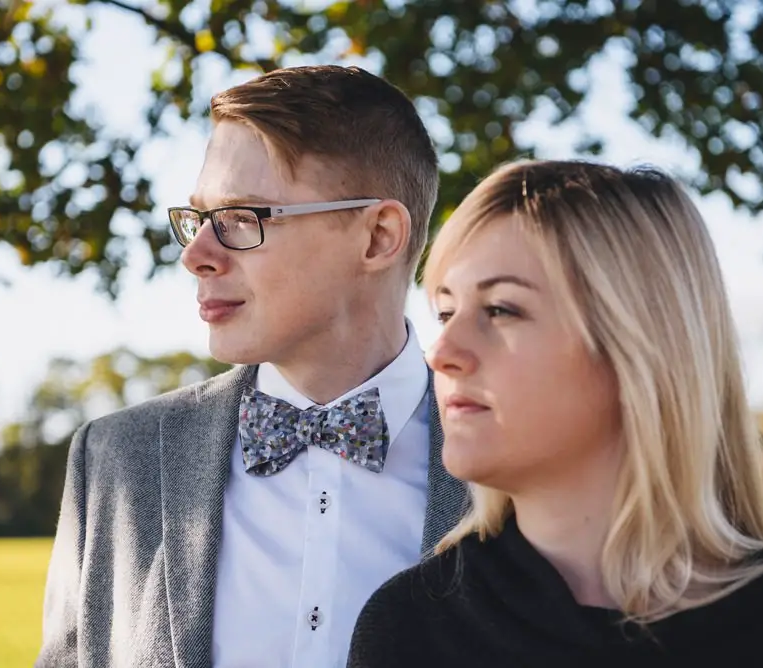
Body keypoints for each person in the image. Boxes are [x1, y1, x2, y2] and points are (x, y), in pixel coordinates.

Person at [34, 65, 468, 668]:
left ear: (378, 237)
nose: (197, 256)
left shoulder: (520, 463)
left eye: (243, 218)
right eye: (198, 219)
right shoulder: (115, 460)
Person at [347, 159, 763, 668]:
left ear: (639, 347)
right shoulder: (411, 625)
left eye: (501, 309)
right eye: (445, 312)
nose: (442, 351)